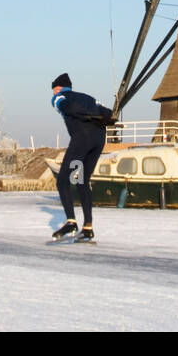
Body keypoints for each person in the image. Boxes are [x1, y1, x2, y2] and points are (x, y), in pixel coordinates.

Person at [50, 73, 111, 242]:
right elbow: (108, 112)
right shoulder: (90, 98)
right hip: (98, 140)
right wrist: (94, 113)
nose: (53, 94)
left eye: (53, 90)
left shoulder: (59, 97)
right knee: (82, 181)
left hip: (82, 140)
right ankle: (88, 227)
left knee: (63, 180)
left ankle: (71, 222)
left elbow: (67, 107)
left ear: (57, 88)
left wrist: (84, 114)